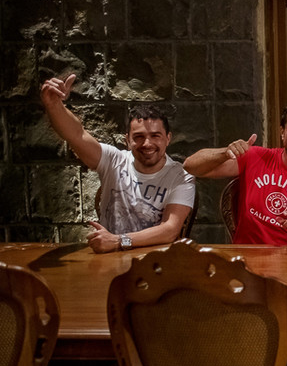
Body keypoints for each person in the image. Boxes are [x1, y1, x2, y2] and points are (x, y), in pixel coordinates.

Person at [40, 73, 195, 253]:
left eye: (155, 136)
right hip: (109, 258)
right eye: (138, 137)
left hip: (155, 265)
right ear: (127, 140)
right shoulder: (114, 160)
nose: (147, 144)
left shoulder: (181, 176)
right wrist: (54, 106)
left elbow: (170, 230)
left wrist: (119, 241)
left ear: (168, 139)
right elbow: (76, 135)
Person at [184, 101, 287, 245]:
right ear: (282, 132)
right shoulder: (256, 157)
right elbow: (191, 166)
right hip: (245, 261)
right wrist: (225, 152)